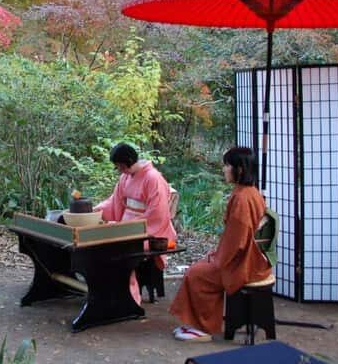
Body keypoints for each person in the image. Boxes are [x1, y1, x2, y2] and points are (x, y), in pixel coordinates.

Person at [169, 146, 271, 342]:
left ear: (239, 169)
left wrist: (218, 259)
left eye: (226, 165)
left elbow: (237, 240)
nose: (223, 169)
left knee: (198, 274)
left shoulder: (242, 197)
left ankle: (203, 328)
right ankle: (196, 323)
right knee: (199, 268)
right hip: (246, 256)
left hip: (244, 262)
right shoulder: (249, 192)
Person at [95, 143, 177, 306]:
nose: (119, 170)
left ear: (129, 161)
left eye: (120, 166)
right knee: (100, 244)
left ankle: (128, 297)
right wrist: (94, 211)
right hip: (127, 228)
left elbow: (157, 214)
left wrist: (127, 228)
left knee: (118, 249)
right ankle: (107, 292)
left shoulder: (153, 178)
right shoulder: (125, 177)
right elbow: (114, 202)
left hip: (149, 232)